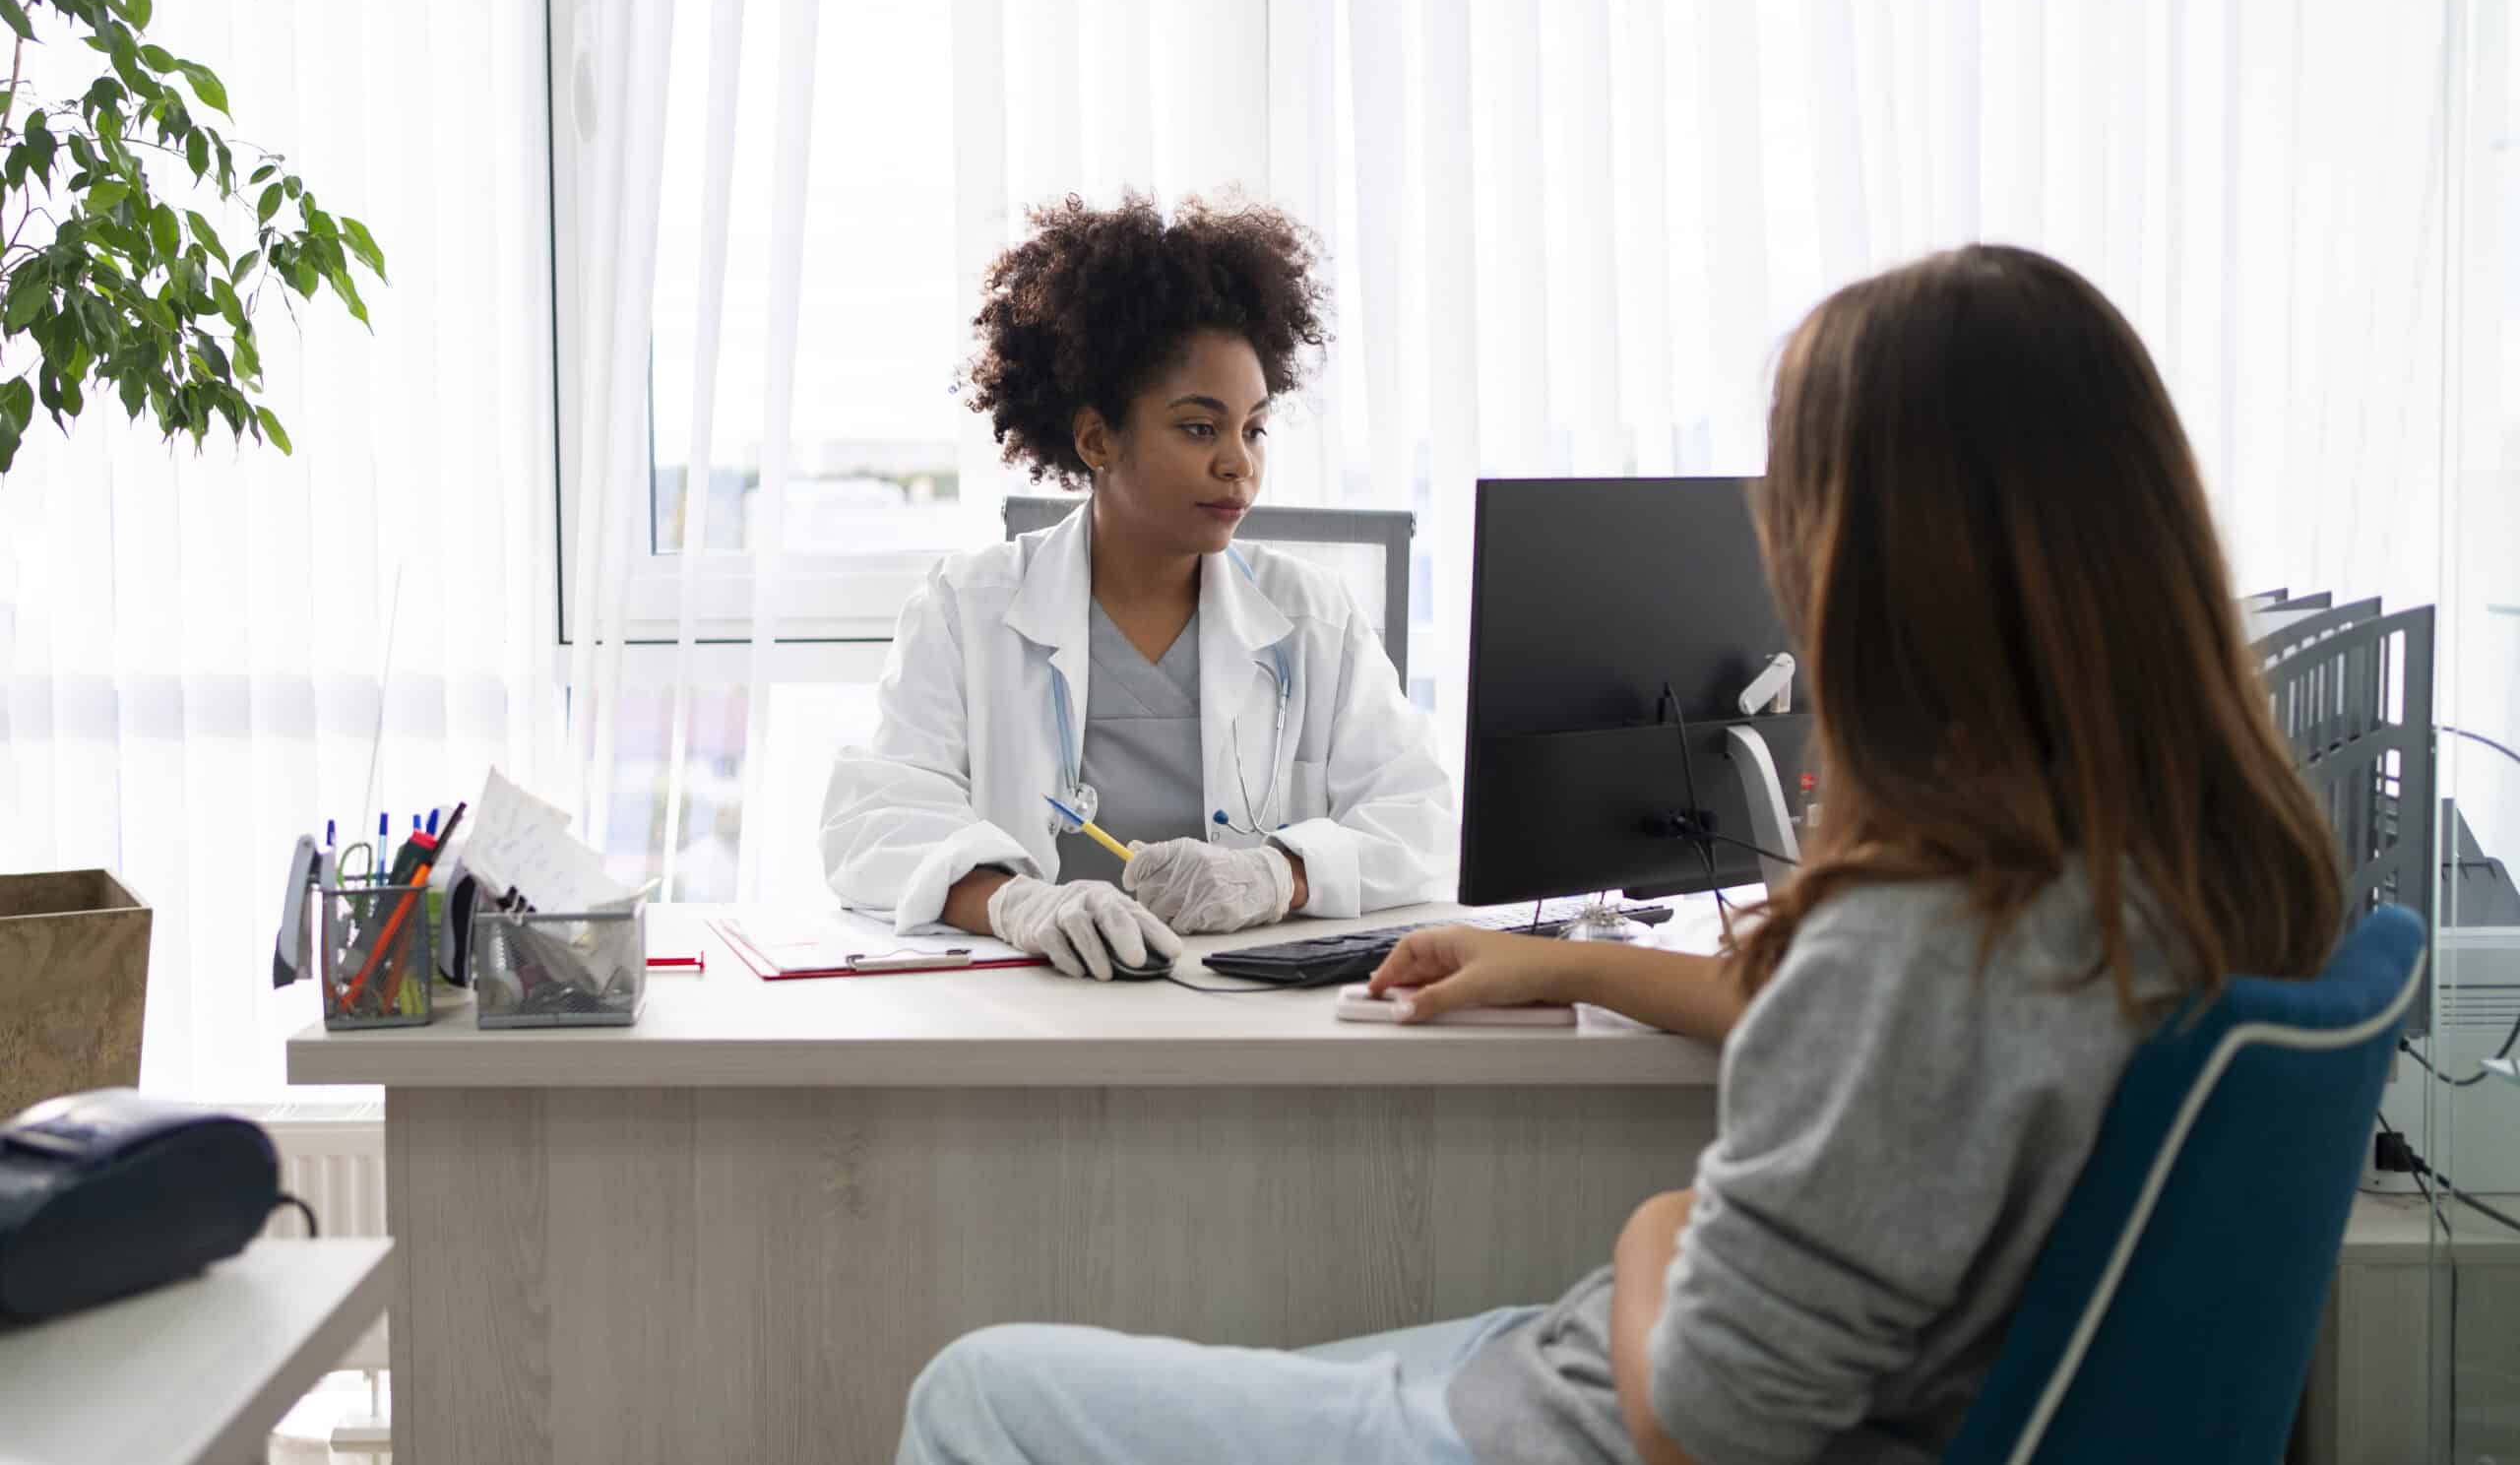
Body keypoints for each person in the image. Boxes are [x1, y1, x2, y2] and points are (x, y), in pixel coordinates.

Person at [892, 243, 2346, 1462]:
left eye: (1797, 492)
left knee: (977, 1392)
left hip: (1583, 1412)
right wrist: (1563, 958)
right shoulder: (2178, 880)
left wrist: (1662, 1217)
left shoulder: (1919, 938)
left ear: (1891, 552)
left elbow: (1707, 1400)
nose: (1776, 542)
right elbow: (1854, 1020)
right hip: (1580, 1372)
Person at [821, 192, 1454, 980]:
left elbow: (1422, 819)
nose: (1239, 462)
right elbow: (873, 820)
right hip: (1034, 1014)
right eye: (1199, 427)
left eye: (1253, 428)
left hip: (1245, 1013)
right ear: (1096, 438)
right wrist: (1016, 902)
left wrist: (1276, 875)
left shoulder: (1312, 618)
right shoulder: (967, 609)